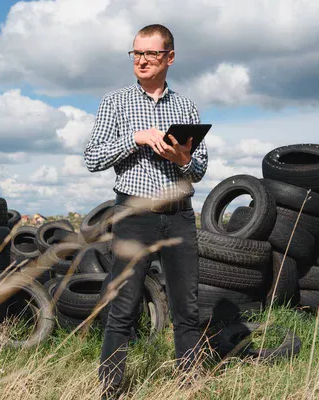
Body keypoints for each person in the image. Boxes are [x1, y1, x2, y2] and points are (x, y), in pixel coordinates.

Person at [83, 23, 208, 399]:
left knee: (187, 304)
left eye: (150, 54)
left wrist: (183, 158)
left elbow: (200, 169)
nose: (141, 60)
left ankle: (187, 385)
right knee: (124, 301)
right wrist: (134, 139)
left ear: (169, 58)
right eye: (136, 53)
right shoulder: (115, 102)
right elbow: (92, 157)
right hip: (134, 215)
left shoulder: (185, 107)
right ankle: (111, 389)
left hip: (180, 214)